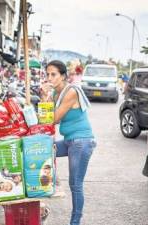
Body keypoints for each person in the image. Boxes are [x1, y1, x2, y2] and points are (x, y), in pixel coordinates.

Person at [41, 60, 96, 225]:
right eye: (48, 74)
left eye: (54, 74)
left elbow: (54, 119)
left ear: (63, 76)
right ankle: (54, 180)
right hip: (70, 140)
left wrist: (46, 99)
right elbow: (46, 118)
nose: (49, 78)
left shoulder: (71, 91)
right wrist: (45, 96)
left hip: (81, 142)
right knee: (44, 150)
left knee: (75, 184)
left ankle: (75, 222)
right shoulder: (56, 93)